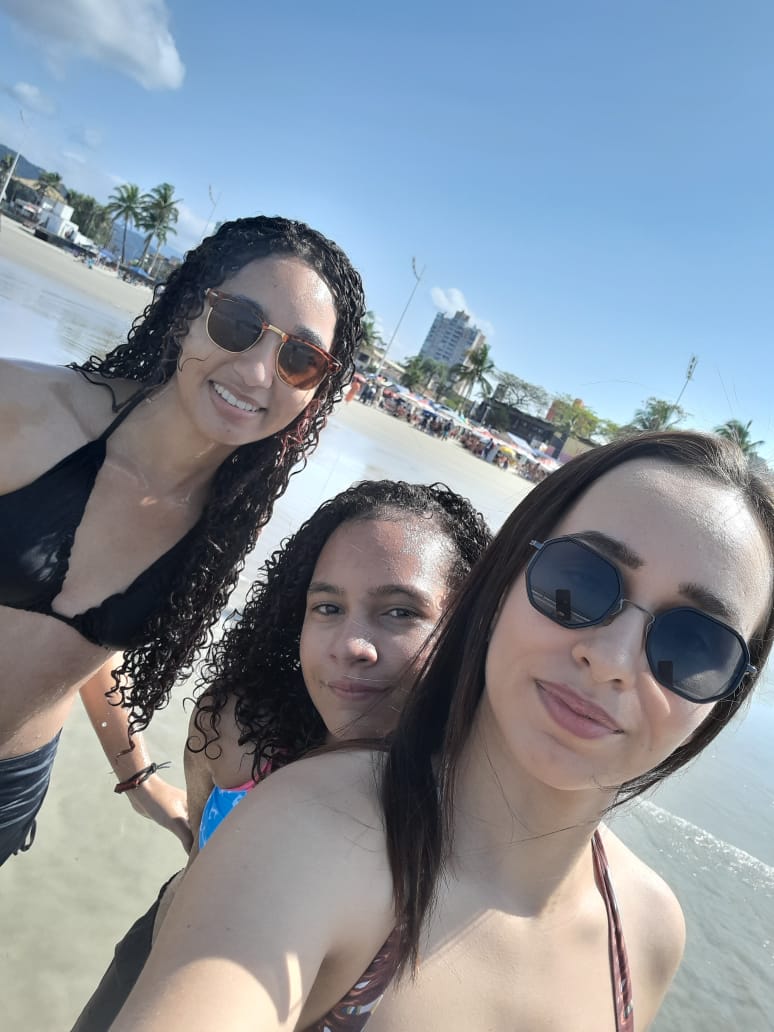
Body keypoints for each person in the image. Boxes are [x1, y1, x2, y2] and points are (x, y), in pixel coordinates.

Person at [112, 430, 774, 1031]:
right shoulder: (314, 830)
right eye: (579, 582)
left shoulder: (650, 931)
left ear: (722, 699)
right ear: (503, 580)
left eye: (695, 644)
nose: (611, 660)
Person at [0, 215, 365, 865]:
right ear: (189, 310)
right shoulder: (27, 409)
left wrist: (140, 780)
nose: (257, 373)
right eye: (239, 323)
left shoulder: (223, 520)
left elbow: (80, 644)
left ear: (319, 390)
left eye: (299, 359)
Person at [71, 479, 491, 1030]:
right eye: (328, 606)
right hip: (148, 967)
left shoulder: (477, 807)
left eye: (399, 612)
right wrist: (142, 783)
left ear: (466, 629)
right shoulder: (238, 728)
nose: (350, 645)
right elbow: (199, 846)